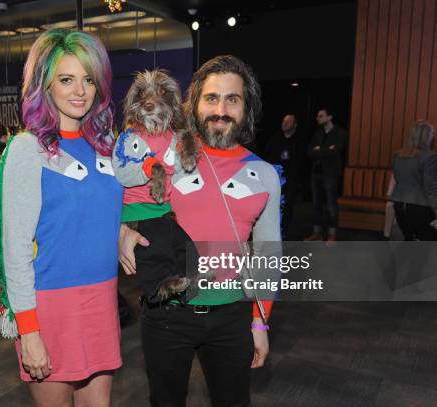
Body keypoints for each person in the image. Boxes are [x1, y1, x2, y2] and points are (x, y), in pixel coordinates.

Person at [119, 55, 281, 407]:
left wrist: (260, 323)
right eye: (211, 98)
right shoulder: (168, 154)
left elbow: (269, 252)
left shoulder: (265, 174)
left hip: (233, 316)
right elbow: (117, 188)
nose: (220, 109)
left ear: (246, 107)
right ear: (193, 103)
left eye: (232, 99)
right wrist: (122, 228)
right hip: (167, 313)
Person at [0, 28, 122, 406]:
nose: (80, 91)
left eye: (88, 79)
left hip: (102, 297)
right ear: (44, 85)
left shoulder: (108, 145)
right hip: (50, 306)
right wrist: (29, 330)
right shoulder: (27, 149)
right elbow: (14, 248)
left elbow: (107, 214)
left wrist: (126, 231)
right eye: (66, 79)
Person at [305, 108, 347, 244]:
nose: (318, 118)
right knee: (316, 205)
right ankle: (317, 233)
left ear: (330, 117)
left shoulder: (340, 133)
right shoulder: (318, 133)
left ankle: (332, 235)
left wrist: (319, 150)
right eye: (317, 116)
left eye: (321, 116)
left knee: (331, 205)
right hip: (316, 173)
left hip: (331, 174)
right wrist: (325, 150)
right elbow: (310, 151)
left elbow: (336, 150)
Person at [389, 120, 437, 241]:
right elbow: (430, 188)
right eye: (432, 132)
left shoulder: (398, 155)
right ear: (426, 136)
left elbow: (398, 179)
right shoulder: (430, 157)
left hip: (399, 205)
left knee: (409, 240)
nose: (433, 134)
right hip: (420, 207)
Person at [264, 114, 304, 237]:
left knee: (287, 205)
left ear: (295, 125)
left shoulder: (299, 140)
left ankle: (283, 230)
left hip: (291, 178)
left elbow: (301, 161)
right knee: (272, 205)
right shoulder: (276, 138)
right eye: (284, 121)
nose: (285, 123)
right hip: (275, 177)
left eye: (289, 121)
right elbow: (268, 155)